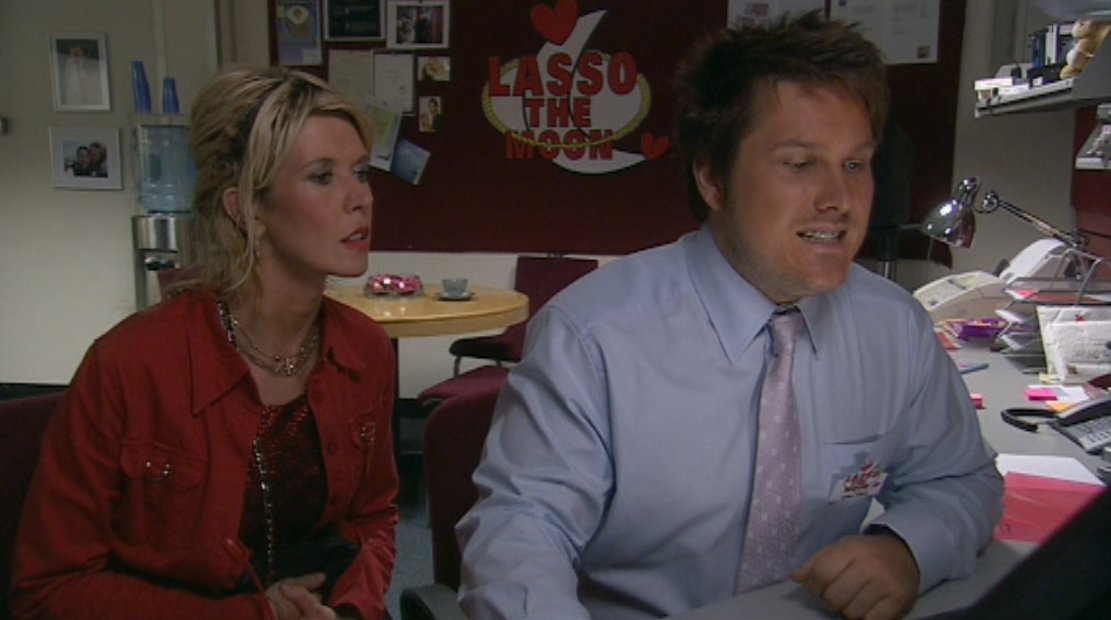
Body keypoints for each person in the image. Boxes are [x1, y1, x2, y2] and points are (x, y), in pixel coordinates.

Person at [457, 11, 1003, 620]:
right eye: (800, 164)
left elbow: (962, 480)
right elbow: (520, 533)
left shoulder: (895, 327)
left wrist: (907, 549)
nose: (839, 199)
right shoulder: (592, 336)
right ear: (713, 179)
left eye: (855, 164)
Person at [11, 67, 398, 620]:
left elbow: (374, 518)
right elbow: (50, 591)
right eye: (322, 176)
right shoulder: (130, 365)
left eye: (360, 172)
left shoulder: (365, 349)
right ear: (247, 209)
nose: (361, 198)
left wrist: (352, 608)